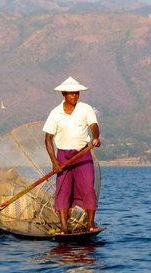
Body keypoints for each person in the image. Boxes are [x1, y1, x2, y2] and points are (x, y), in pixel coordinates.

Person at [43, 76, 101, 234]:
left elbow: (94, 126)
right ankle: (63, 227)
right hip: (63, 156)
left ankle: (90, 224)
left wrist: (95, 137)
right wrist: (54, 161)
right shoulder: (55, 113)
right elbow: (48, 139)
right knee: (63, 190)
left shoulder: (85, 109)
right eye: (71, 93)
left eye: (77, 93)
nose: (75, 96)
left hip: (82, 154)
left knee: (88, 187)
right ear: (64, 94)